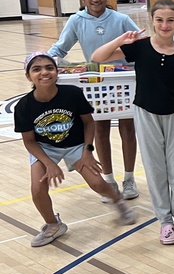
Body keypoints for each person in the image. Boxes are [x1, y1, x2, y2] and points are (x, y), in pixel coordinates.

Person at [93, 0, 174, 245]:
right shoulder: (139, 47)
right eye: (159, 20)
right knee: (156, 169)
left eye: (171, 20)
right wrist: (121, 40)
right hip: (146, 114)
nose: (165, 24)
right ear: (151, 21)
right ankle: (165, 222)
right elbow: (97, 57)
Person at [14, 53, 136, 247]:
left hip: (76, 145)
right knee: (37, 188)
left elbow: (89, 123)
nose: (44, 72)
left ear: (56, 72)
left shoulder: (72, 93)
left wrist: (87, 151)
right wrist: (48, 164)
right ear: (29, 76)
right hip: (45, 148)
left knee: (97, 183)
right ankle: (53, 225)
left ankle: (118, 201)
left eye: (49, 67)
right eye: (37, 69)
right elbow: (29, 142)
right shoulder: (23, 106)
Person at [48, 0, 140, 202]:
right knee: (100, 129)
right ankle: (108, 179)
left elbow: (141, 42)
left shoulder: (121, 19)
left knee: (128, 128)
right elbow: (60, 48)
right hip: (96, 84)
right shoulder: (76, 20)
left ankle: (129, 178)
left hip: (123, 80)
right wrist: (47, 60)